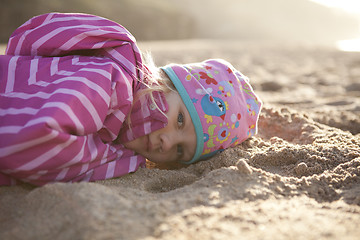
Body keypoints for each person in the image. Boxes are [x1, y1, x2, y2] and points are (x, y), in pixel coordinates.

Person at [0, 13, 262, 186]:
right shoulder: (110, 82)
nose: (167, 142)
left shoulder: (118, 120)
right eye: (180, 119)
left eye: (181, 151)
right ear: (164, 83)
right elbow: (30, 143)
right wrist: (116, 159)